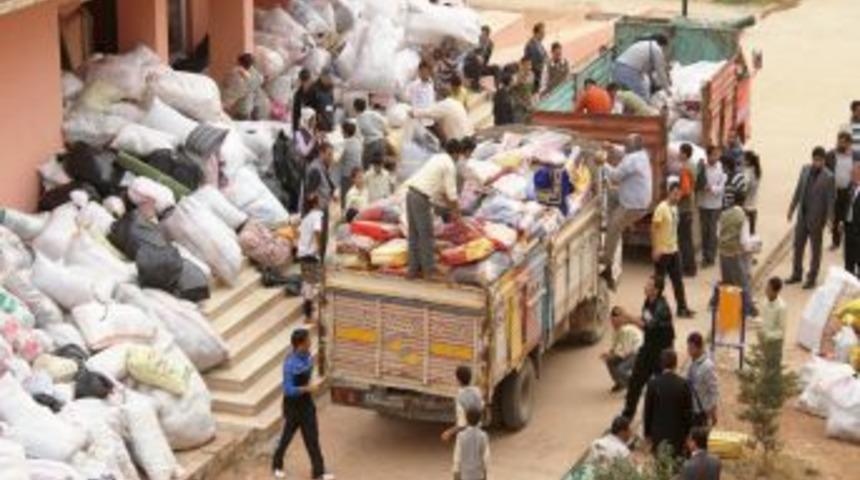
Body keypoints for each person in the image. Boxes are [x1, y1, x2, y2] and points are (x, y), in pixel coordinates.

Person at [272, 328, 334, 480]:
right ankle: (277, 465)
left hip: (307, 405)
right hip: (292, 407)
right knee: (286, 438)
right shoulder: (290, 364)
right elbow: (288, 389)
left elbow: (309, 373)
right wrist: (307, 388)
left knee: (312, 438)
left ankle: (318, 472)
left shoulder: (307, 356)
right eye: (308, 340)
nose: (310, 342)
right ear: (300, 344)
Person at [599, 134, 653, 289]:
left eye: (626, 144)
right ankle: (607, 217)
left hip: (632, 205)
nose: (624, 146)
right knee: (611, 194)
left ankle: (606, 259)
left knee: (614, 226)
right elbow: (624, 151)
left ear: (632, 147)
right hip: (635, 199)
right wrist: (611, 147)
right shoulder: (641, 154)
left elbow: (614, 176)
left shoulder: (631, 160)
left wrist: (603, 163)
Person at [405, 139, 462, 279]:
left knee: (414, 234)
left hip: (411, 193)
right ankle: (428, 271)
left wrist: (449, 208)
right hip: (421, 198)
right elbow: (451, 194)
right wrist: (457, 213)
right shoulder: (449, 165)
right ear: (456, 153)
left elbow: (442, 191)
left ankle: (413, 270)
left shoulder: (437, 158)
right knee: (426, 235)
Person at [620, 275, 675, 420]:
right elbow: (645, 320)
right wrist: (628, 321)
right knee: (635, 383)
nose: (645, 287)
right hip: (649, 349)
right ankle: (627, 416)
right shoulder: (648, 302)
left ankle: (662, 419)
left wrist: (629, 317)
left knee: (661, 389)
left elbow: (648, 325)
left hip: (662, 354)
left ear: (656, 290)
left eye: (649, 285)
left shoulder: (662, 308)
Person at [786, 147, 836, 289]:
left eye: (820, 160)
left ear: (824, 161)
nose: (817, 163)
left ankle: (812, 277)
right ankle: (796, 273)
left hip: (817, 219)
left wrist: (830, 219)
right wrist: (791, 208)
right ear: (812, 159)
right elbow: (798, 190)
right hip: (802, 216)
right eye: (815, 160)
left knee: (815, 250)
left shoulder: (829, 177)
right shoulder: (805, 170)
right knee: (798, 246)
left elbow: (830, 200)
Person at [652, 180, 695, 318]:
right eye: (675, 194)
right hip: (663, 251)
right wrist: (656, 248)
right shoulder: (661, 208)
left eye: (679, 195)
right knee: (659, 283)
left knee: (678, 281)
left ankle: (682, 308)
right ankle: (653, 309)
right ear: (669, 193)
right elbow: (654, 229)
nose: (677, 197)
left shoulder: (675, 208)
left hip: (673, 250)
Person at [643, 349, 693, 459]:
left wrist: (647, 434)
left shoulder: (652, 384)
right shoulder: (683, 384)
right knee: (676, 464)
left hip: (658, 435)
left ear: (661, 364)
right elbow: (688, 412)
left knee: (660, 464)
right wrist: (688, 434)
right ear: (676, 364)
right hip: (678, 435)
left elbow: (647, 412)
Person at [718, 191, 757, 317]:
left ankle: (729, 309)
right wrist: (752, 246)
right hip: (735, 254)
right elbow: (744, 241)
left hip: (723, 253)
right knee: (742, 283)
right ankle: (748, 309)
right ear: (743, 202)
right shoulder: (743, 217)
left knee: (727, 283)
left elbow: (718, 233)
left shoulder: (724, 214)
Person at [612, 34, 670, 100]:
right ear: (662, 45)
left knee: (630, 94)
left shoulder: (645, 44)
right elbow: (660, 72)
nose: (664, 51)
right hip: (629, 71)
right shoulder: (657, 49)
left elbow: (647, 69)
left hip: (618, 67)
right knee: (642, 96)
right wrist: (667, 90)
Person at [305, 142, 337, 262]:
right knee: (318, 239)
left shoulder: (322, 166)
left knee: (323, 238)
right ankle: (317, 263)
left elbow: (327, 184)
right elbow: (310, 194)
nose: (331, 158)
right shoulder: (315, 169)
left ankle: (320, 262)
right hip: (318, 210)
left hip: (323, 207)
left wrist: (331, 194)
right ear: (321, 153)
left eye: (332, 154)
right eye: (329, 155)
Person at [697, 146, 727, 267]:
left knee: (712, 232)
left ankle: (711, 256)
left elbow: (722, 187)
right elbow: (697, 182)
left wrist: (711, 188)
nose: (715, 157)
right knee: (704, 231)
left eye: (717, 155)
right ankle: (705, 256)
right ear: (708, 155)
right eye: (713, 155)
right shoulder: (702, 167)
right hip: (703, 204)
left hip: (715, 205)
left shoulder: (721, 168)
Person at [602, 307, 644, 393]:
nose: (613, 323)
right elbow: (614, 345)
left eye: (615, 320)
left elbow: (626, 351)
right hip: (630, 352)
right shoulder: (617, 330)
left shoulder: (626, 330)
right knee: (609, 361)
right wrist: (609, 354)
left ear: (621, 320)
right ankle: (620, 383)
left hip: (638, 354)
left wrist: (612, 355)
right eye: (612, 320)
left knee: (621, 369)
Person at [296, 194, 324, 323]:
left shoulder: (305, 218)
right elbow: (317, 230)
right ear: (316, 204)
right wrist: (319, 247)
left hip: (303, 253)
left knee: (308, 282)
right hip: (310, 254)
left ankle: (309, 309)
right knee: (310, 284)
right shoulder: (316, 215)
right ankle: (308, 315)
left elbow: (298, 232)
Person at [827, 131, 855, 249]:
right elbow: (825, 172)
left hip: (849, 191)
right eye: (839, 141)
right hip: (835, 191)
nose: (840, 144)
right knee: (836, 217)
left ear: (849, 143)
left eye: (843, 142)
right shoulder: (831, 155)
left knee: (849, 217)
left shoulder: (855, 156)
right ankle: (835, 242)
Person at [441, 365, 484, 442]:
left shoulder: (460, 398)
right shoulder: (477, 391)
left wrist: (449, 432)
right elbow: (481, 406)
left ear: (458, 380)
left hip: (466, 438)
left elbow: (462, 425)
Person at [686, 332, 719, 428]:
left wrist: (713, 412)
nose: (689, 351)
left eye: (691, 348)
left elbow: (714, 390)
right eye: (688, 347)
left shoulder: (707, 366)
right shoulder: (691, 363)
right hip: (690, 409)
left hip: (701, 411)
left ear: (699, 348)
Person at [222, 53, 267, 120]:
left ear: (241, 64)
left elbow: (236, 92)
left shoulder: (242, 78)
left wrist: (225, 105)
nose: (236, 64)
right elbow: (261, 80)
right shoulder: (255, 73)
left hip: (243, 109)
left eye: (238, 63)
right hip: (253, 105)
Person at [677, 143, 698, 277]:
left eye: (680, 152)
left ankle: (688, 268)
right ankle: (691, 268)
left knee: (684, 240)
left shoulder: (685, 168)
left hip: (684, 208)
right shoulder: (693, 165)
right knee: (687, 239)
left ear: (685, 154)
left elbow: (685, 190)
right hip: (690, 206)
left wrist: (674, 199)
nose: (678, 154)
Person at [452, 408, 490, 480]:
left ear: (466, 419)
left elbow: (457, 455)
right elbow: (486, 456)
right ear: (480, 420)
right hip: (478, 474)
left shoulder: (460, 436)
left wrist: (456, 471)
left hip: (464, 475)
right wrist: (485, 472)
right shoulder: (483, 435)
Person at [354, 98, 389, 169]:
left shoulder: (358, 119)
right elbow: (384, 121)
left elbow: (358, 135)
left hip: (370, 143)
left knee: (366, 165)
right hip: (380, 140)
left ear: (355, 108)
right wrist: (383, 130)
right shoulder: (372, 113)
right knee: (380, 164)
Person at [759, 277, 787, 365]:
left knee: (773, 367)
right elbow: (763, 319)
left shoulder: (781, 307)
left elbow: (781, 332)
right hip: (764, 341)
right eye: (766, 287)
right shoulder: (765, 301)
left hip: (775, 343)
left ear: (776, 292)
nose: (765, 290)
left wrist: (768, 335)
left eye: (768, 289)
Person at [463, 25, 499, 91]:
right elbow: (468, 53)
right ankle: (475, 87)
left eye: (484, 35)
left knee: (496, 68)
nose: (481, 36)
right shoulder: (475, 42)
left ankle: (497, 87)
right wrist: (476, 56)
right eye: (481, 34)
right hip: (471, 66)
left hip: (482, 67)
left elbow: (486, 56)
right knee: (477, 64)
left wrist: (482, 59)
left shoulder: (489, 44)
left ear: (487, 35)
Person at [338, 121, 363, 209]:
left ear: (345, 132)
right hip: (357, 173)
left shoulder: (344, 143)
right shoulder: (358, 141)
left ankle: (345, 213)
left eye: (342, 131)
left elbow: (338, 159)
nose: (341, 132)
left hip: (347, 174)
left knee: (345, 197)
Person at [406, 61, 437, 125]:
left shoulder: (431, 84)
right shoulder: (414, 85)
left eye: (426, 71)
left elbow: (432, 100)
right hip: (418, 120)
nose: (424, 73)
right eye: (422, 71)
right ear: (419, 71)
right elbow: (406, 97)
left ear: (430, 72)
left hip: (429, 120)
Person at [844, 162, 860, 277]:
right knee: (848, 259)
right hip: (849, 228)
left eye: (854, 172)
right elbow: (846, 204)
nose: (851, 173)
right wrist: (843, 220)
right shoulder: (851, 187)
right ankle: (849, 276)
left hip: (858, 232)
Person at [524, 22, 548, 92]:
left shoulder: (539, 44)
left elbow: (545, 56)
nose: (544, 35)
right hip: (536, 76)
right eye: (542, 33)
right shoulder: (531, 45)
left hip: (540, 74)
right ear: (537, 33)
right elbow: (534, 63)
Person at [742, 150, 762, 235]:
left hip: (746, 206)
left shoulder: (747, 172)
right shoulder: (757, 171)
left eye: (743, 159)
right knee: (752, 232)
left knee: (745, 233)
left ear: (747, 161)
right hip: (753, 206)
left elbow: (745, 187)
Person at [510, 58, 535, 123]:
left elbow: (530, 90)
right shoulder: (516, 76)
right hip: (518, 106)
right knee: (519, 124)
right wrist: (520, 80)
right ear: (522, 65)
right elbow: (512, 88)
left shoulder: (532, 75)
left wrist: (531, 103)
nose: (529, 67)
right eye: (527, 65)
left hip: (528, 105)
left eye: (530, 65)